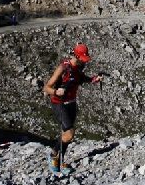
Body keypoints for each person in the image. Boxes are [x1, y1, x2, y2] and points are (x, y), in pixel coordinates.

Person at [43, 43, 102, 174]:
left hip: (72, 103)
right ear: (76, 55)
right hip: (59, 103)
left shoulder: (78, 68)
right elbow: (46, 87)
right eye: (82, 58)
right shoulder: (64, 67)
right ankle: (53, 156)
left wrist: (94, 79)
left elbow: (82, 79)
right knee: (69, 133)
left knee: (67, 134)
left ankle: (60, 160)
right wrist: (55, 92)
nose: (84, 61)